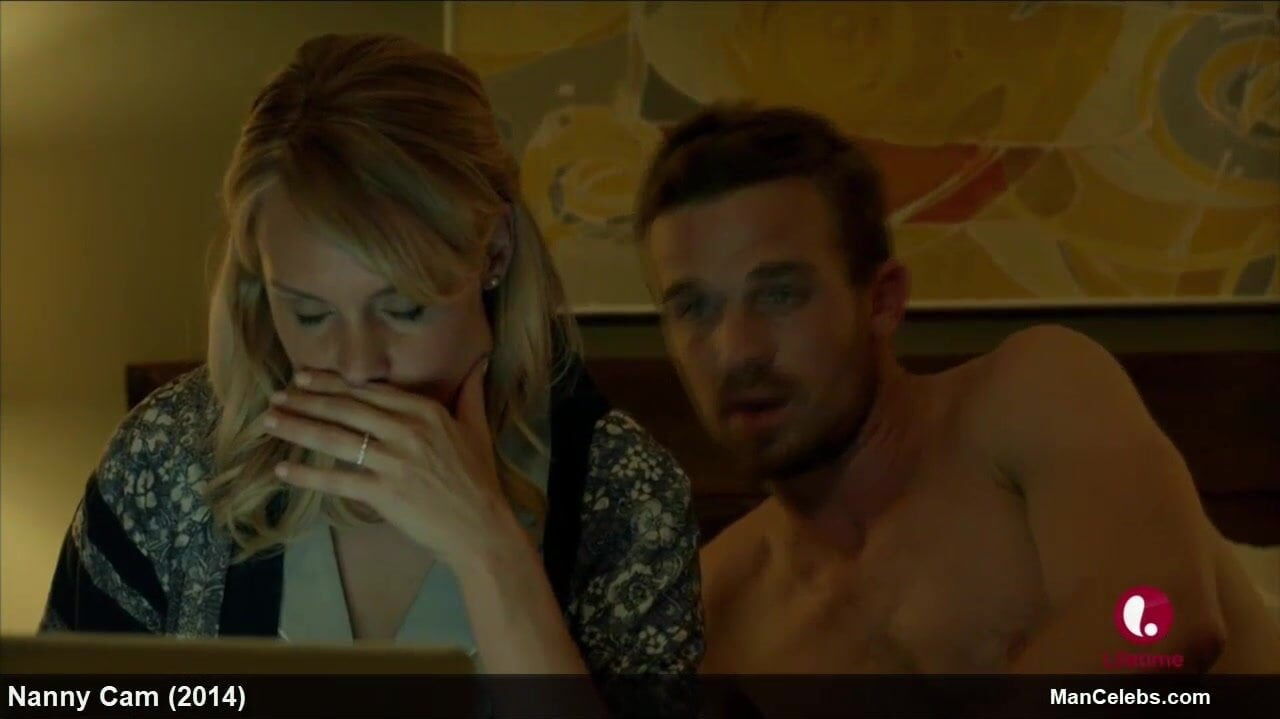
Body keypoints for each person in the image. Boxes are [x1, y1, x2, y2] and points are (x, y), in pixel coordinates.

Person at [41, 32, 702, 712]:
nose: (357, 366)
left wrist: (488, 547)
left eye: (403, 308)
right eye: (310, 314)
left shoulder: (625, 494)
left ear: (495, 251)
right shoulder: (169, 457)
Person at [632, 102, 1280, 679]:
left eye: (779, 294)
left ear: (882, 301)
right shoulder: (719, 613)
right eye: (692, 308)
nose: (736, 350)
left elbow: (1160, 629)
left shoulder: (1028, 396)